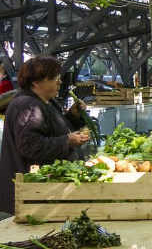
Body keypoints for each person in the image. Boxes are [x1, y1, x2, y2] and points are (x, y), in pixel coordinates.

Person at [0, 56, 91, 214]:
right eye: (54, 78)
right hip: (32, 194)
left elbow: (54, 129)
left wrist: (73, 116)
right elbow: (31, 146)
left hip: (43, 192)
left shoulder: (45, 102)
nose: (59, 82)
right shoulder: (27, 106)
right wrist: (67, 141)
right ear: (36, 82)